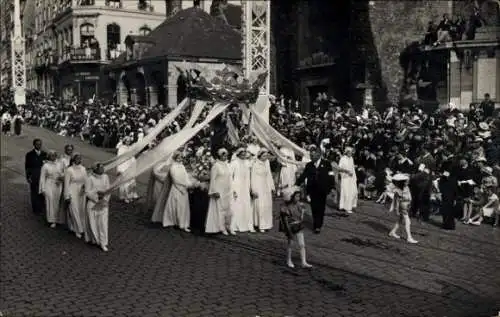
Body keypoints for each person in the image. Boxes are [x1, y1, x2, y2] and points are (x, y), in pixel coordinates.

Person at [296, 146, 334, 233]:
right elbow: (304, 175)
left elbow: (331, 176)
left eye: (313, 155)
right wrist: (296, 184)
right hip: (312, 190)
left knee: (321, 208)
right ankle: (316, 223)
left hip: (322, 190)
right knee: (314, 207)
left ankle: (318, 226)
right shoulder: (309, 165)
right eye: (310, 155)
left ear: (319, 154)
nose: (311, 157)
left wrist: (332, 188)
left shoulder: (327, 164)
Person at [161, 151, 197, 232]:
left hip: (184, 188)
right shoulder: (173, 167)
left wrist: (189, 184)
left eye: (181, 157)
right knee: (174, 206)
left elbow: (185, 176)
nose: (180, 159)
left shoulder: (182, 166)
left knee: (183, 207)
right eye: (178, 157)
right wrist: (183, 186)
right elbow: (175, 179)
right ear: (175, 158)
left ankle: (183, 224)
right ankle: (171, 221)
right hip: (176, 188)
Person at [279, 186, 312, 269]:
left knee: (302, 244)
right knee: (291, 244)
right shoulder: (285, 207)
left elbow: (301, 217)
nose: (298, 198)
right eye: (296, 196)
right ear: (291, 197)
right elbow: (285, 221)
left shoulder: (298, 205)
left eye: (299, 196)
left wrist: (303, 212)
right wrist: (288, 231)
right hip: (291, 227)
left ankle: (303, 262)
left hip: (298, 226)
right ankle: (289, 260)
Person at [205, 148, 233, 235]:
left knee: (228, 209)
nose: (225, 157)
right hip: (219, 190)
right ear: (219, 156)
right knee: (219, 209)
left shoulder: (228, 165)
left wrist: (233, 190)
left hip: (227, 191)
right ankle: (221, 227)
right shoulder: (216, 166)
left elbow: (230, 178)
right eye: (223, 155)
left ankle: (227, 226)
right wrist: (214, 191)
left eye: (226, 155)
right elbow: (212, 180)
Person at [85, 163, 111, 252]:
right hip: (93, 204)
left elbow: (108, 189)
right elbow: (87, 192)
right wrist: (96, 198)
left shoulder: (106, 177)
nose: (102, 169)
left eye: (102, 167)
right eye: (100, 168)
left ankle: (103, 243)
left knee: (103, 224)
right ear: (95, 169)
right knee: (93, 222)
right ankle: (95, 240)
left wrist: (104, 199)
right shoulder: (89, 178)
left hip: (103, 204)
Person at [229, 148, 254, 233]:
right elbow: (230, 176)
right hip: (237, 186)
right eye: (242, 154)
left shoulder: (247, 163)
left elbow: (249, 176)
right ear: (238, 154)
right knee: (237, 204)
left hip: (245, 186)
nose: (244, 155)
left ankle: (247, 225)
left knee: (246, 204)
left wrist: (249, 187)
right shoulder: (234, 163)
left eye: (245, 153)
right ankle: (235, 225)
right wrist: (233, 188)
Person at [388, 174, 418, 244]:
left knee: (400, 220)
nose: (408, 182)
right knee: (408, 221)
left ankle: (392, 232)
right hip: (403, 206)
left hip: (406, 205)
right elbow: (397, 201)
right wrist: (397, 210)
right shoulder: (398, 190)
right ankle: (409, 237)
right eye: (406, 181)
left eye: (408, 181)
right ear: (403, 182)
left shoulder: (406, 187)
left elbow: (409, 196)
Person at [250, 149, 275, 232]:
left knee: (267, 205)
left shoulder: (267, 163)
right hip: (258, 186)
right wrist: (254, 190)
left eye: (266, 156)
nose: (265, 157)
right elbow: (253, 178)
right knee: (260, 205)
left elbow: (269, 175)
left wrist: (272, 187)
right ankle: (260, 225)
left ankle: (267, 224)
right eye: (264, 156)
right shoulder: (255, 164)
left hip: (266, 186)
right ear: (260, 156)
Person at [64, 153, 88, 239]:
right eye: (77, 158)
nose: (79, 160)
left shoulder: (83, 169)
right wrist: (67, 196)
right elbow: (66, 184)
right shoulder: (69, 170)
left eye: (80, 158)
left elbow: (86, 180)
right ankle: (77, 230)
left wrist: (85, 188)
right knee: (74, 210)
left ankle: (80, 227)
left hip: (81, 192)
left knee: (81, 210)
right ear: (73, 159)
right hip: (72, 191)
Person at [39, 150, 65, 228]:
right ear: (49, 156)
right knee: (49, 200)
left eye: (54, 155)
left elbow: (63, 172)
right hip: (49, 184)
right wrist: (42, 189)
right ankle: (51, 220)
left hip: (58, 185)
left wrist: (61, 177)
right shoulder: (45, 166)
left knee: (56, 202)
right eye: (51, 155)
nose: (53, 157)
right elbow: (42, 178)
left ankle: (57, 219)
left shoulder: (60, 164)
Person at [25, 139, 47, 215]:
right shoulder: (29, 154)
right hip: (34, 176)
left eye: (40, 144)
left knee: (42, 192)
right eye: (37, 144)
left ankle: (41, 208)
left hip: (43, 176)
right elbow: (27, 167)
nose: (39, 145)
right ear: (34, 145)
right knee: (34, 193)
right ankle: (35, 209)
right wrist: (28, 177)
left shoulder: (44, 154)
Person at [338, 147, 358, 214]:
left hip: (351, 178)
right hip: (345, 178)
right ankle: (345, 207)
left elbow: (352, 168)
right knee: (346, 193)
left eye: (351, 152)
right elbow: (339, 168)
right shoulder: (343, 158)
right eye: (349, 152)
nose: (351, 153)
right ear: (346, 152)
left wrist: (354, 177)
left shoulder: (351, 159)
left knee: (353, 192)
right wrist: (346, 171)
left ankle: (348, 206)